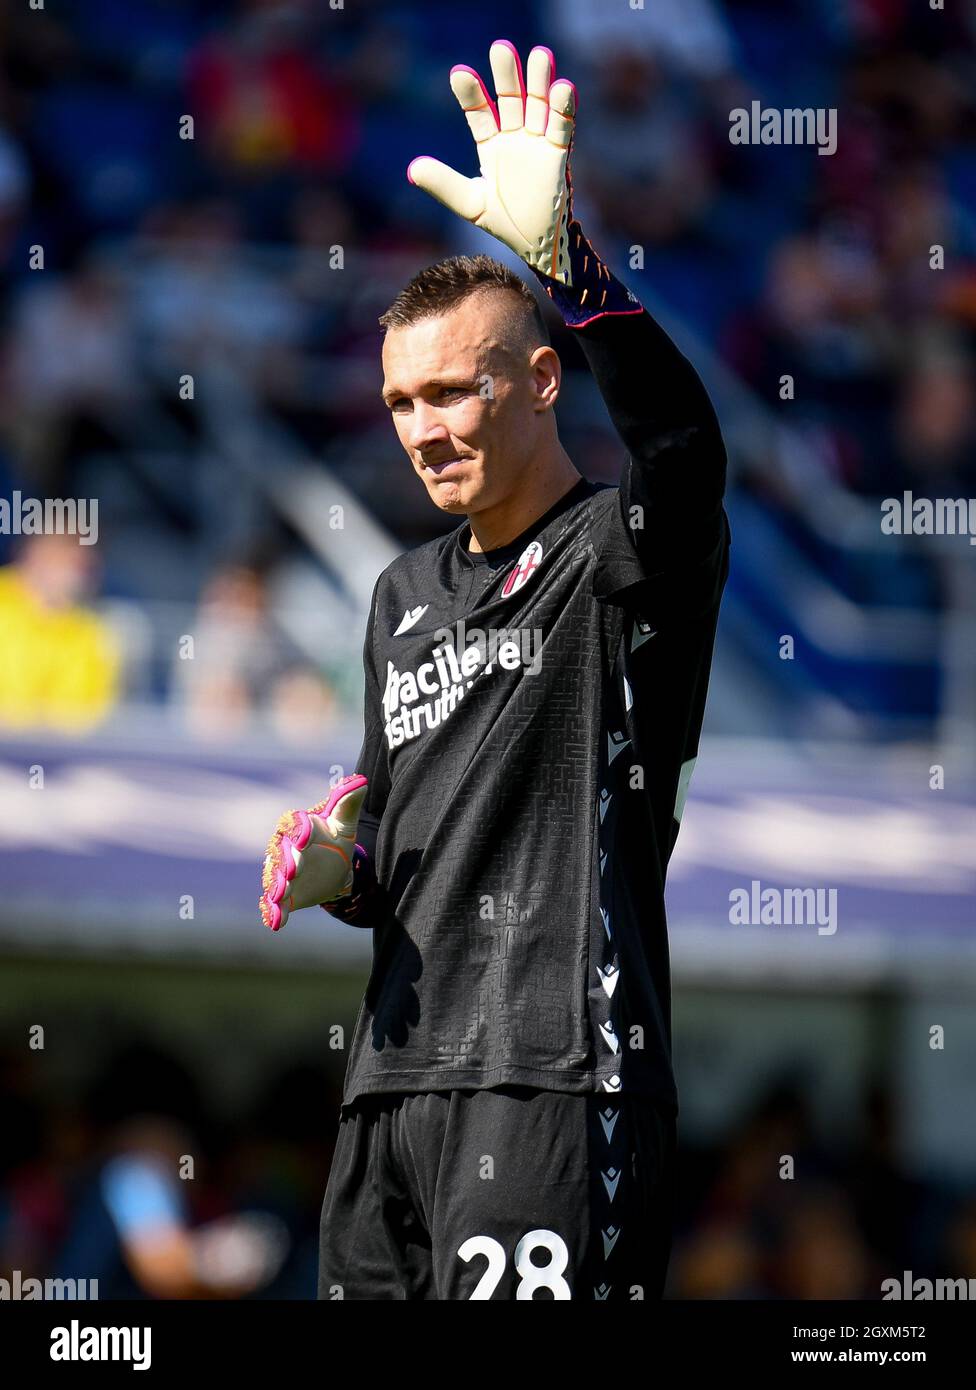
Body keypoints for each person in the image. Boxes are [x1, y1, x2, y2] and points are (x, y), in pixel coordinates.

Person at [260, 39, 729, 1300]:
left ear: (537, 382)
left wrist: (568, 260)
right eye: (402, 401)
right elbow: (383, 837)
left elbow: (681, 445)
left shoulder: (620, 556)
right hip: (389, 1085)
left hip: (556, 1079)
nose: (423, 429)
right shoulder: (396, 594)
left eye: (453, 392)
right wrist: (333, 865)